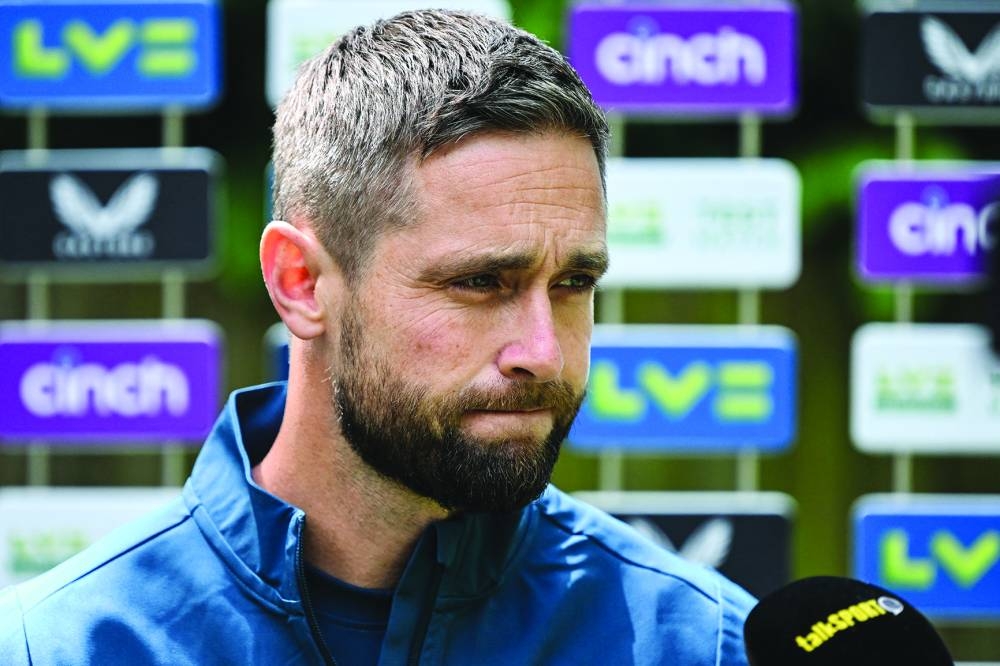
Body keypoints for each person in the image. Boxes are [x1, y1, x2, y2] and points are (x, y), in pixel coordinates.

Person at [0, 9, 754, 665]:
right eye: (480, 283)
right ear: (300, 282)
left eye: (573, 284)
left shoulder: (700, 642)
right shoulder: (63, 646)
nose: (543, 351)